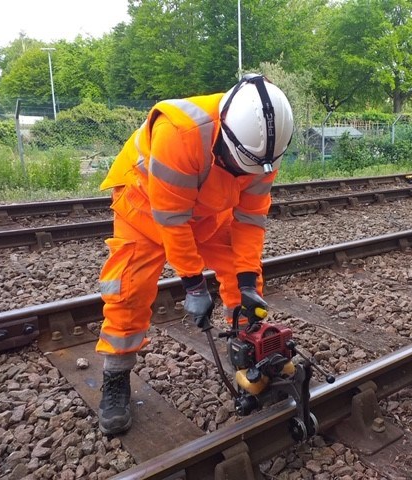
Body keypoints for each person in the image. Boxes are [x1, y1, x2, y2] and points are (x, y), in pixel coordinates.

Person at [95, 74, 294, 435]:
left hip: (207, 210)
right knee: (129, 290)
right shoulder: (180, 133)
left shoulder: (265, 146)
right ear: (224, 137)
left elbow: (249, 221)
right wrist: (193, 286)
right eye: (238, 166)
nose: (243, 174)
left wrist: (247, 281)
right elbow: (172, 220)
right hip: (144, 208)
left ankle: (252, 354)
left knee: (243, 280)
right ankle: (116, 377)